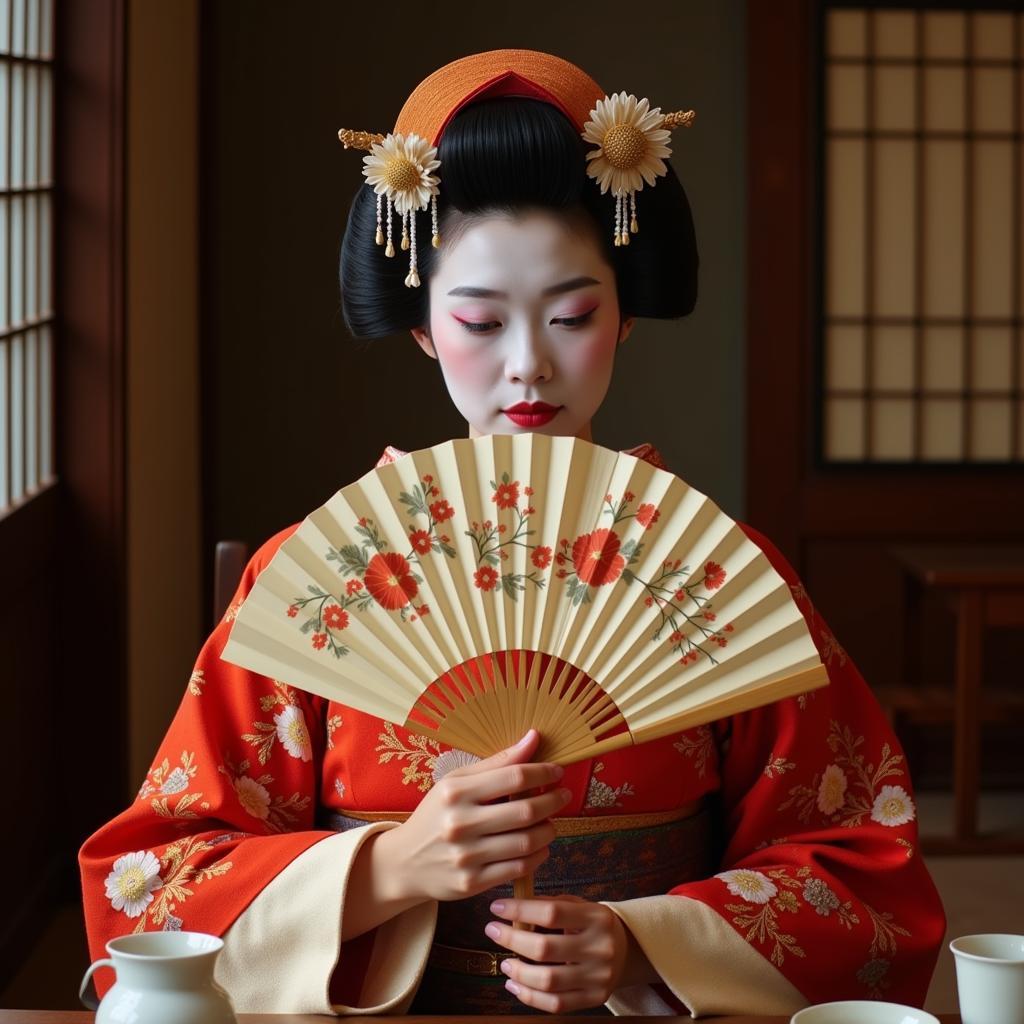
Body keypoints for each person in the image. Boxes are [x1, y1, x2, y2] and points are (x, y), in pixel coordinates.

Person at [80, 49, 945, 1017]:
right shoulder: (316, 576)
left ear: (622, 318)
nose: (528, 366)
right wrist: (387, 868)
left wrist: (644, 942)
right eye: (480, 321)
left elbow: (867, 875)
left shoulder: (719, 574)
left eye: (570, 314)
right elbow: (150, 886)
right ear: (421, 328)